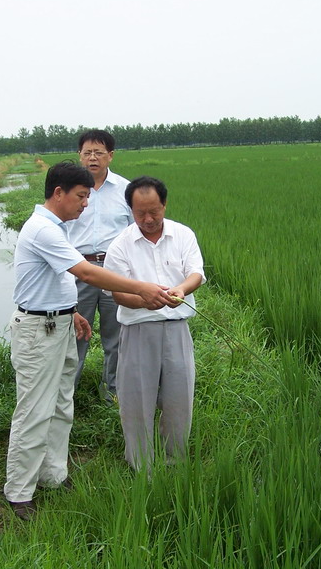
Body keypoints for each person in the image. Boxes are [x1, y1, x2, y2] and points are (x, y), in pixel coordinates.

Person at [4, 161, 174, 520]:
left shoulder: (57, 227)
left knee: (61, 404)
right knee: (35, 410)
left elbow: (53, 280)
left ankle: (53, 475)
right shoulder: (43, 229)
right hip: (38, 331)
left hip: (58, 324)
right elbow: (84, 272)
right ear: (59, 193)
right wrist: (141, 288)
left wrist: (71, 311)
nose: (85, 204)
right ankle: (19, 491)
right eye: (81, 196)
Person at [104, 176, 205, 473]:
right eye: (140, 213)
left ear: (164, 205)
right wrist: (142, 301)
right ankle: (141, 466)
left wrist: (181, 290)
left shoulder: (183, 235)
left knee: (179, 398)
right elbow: (117, 293)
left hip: (176, 328)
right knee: (136, 401)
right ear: (131, 211)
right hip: (138, 330)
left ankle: (175, 461)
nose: (148, 219)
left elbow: (196, 273)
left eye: (154, 212)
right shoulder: (120, 245)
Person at [66, 129, 132, 403]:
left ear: (111, 156)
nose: (93, 158)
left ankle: (113, 392)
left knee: (116, 335)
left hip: (114, 271)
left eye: (99, 152)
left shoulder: (126, 190)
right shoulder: (69, 191)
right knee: (75, 335)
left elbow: (135, 232)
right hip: (78, 270)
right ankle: (66, 395)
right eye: (87, 152)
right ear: (79, 155)